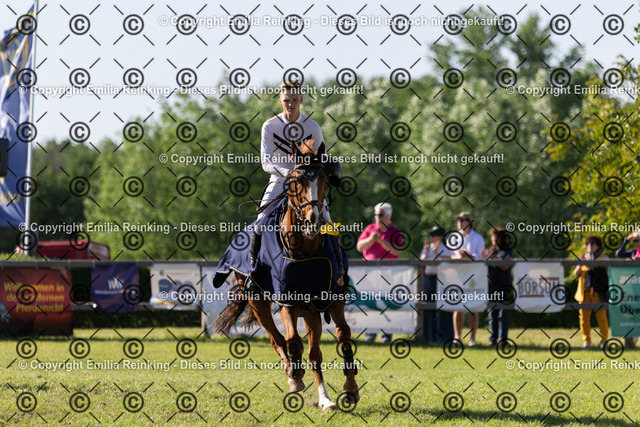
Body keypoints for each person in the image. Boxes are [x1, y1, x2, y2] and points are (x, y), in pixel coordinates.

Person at [251, 80, 334, 269]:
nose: (291, 104)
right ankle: (253, 271)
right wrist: (287, 172)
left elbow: (323, 157)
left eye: (295, 100)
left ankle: (339, 270)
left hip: (307, 183)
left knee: (328, 222)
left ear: (301, 100)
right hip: (280, 181)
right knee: (260, 223)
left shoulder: (312, 126)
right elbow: (266, 162)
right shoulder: (269, 126)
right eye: (287, 100)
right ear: (280, 101)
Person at [357, 202, 402, 343]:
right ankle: (370, 333)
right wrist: (371, 239)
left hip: (388, 273)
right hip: (369, 273)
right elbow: (359, 247)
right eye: (376, 214)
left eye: (380, 214)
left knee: (386, 302)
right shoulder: (370, 229)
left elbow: (397, 251)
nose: (377, 217)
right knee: (370, 302)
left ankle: (386, 334)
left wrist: (381, 241)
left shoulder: (394, 231)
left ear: (388, 216)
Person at [451, 211, 485, 346]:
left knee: (473, 307)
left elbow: (481, 256)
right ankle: (457, 337)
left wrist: (469, 256)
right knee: (457, 306)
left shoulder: (478, 238)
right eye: (458, 219)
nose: (459, 222)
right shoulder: (454, 238)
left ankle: (472, 338)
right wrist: (459, 257)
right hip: (458, 274)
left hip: (473, 275)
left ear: (469, 222)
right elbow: (449, 255)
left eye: (463, 219)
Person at [573, 235, 609, 348]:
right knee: (583, 319)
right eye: (587, 244)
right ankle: (586, 341)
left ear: (598, 245)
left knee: (602, 318)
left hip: (598, 292)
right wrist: (581, 264)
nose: (589, 246)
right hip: (584, 292)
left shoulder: (604, 257)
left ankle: (604, 340)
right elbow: (575, 274)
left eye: (592, 243)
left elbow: (605, 273)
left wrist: (590, 265)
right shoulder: (584, 257)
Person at [420, 225, 453, 343]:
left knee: (443, 310)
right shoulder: (428, 247)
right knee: (428, 309)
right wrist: (427, 253)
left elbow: (446, 264)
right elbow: (421, 262)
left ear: (440, 236)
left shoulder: (446, 248)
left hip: (442, 279)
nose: (431, 237)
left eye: (433, 235)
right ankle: (429, 337)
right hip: (428, 278)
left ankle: (444, 337)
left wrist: (435, 253)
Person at [481, 227, 512, 347]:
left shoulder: (507, 251)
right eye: (492, 239)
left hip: (504, 286)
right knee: (492, 314)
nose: (493, 242)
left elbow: (505, 266)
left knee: (503, 314)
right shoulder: (490, 251)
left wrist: (494, 257)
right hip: (491, 286)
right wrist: (484, 259)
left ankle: (503, 339)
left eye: (495, 239)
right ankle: (493, 338)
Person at [615, 231, 639, 348]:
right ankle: (633, 337)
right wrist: (627, 240)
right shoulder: (633, 252)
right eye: (635, 241)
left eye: (638, 240)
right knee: (633, 312)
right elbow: (619, 254)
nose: (636, 243)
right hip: (634, 287)